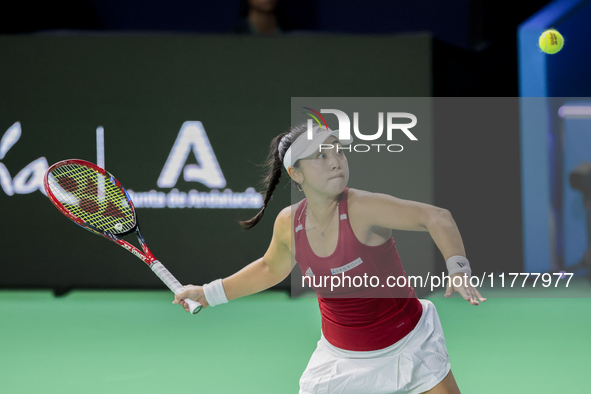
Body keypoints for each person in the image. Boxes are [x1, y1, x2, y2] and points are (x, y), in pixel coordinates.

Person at [174, 123, 486, 393]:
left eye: (338, 151)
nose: (335, 161)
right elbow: (270, 268)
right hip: (340, 361)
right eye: (321, 156)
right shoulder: (289, 223)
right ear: (296, 173)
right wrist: (208, 294)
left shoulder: (363, 208)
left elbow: (436, 217)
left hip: (410, 345)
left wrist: (457, 268)